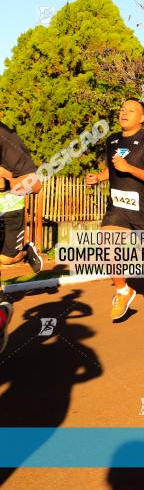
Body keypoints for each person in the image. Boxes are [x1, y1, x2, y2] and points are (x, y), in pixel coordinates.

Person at [86, 99, 144, 323]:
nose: (124, 113)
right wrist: (98, 177)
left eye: (131, 111)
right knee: (106, 242)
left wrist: (128, 168)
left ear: (141, 118)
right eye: (122, 109)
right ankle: (123, 291)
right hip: (119, 206)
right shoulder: (112, 140)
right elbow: (112, 169)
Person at [0, 123, 43, 353]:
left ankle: (25, 250)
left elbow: (35, 185)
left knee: (6, 259)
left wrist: (5, 178)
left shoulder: (6, 139)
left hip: (9, 209)